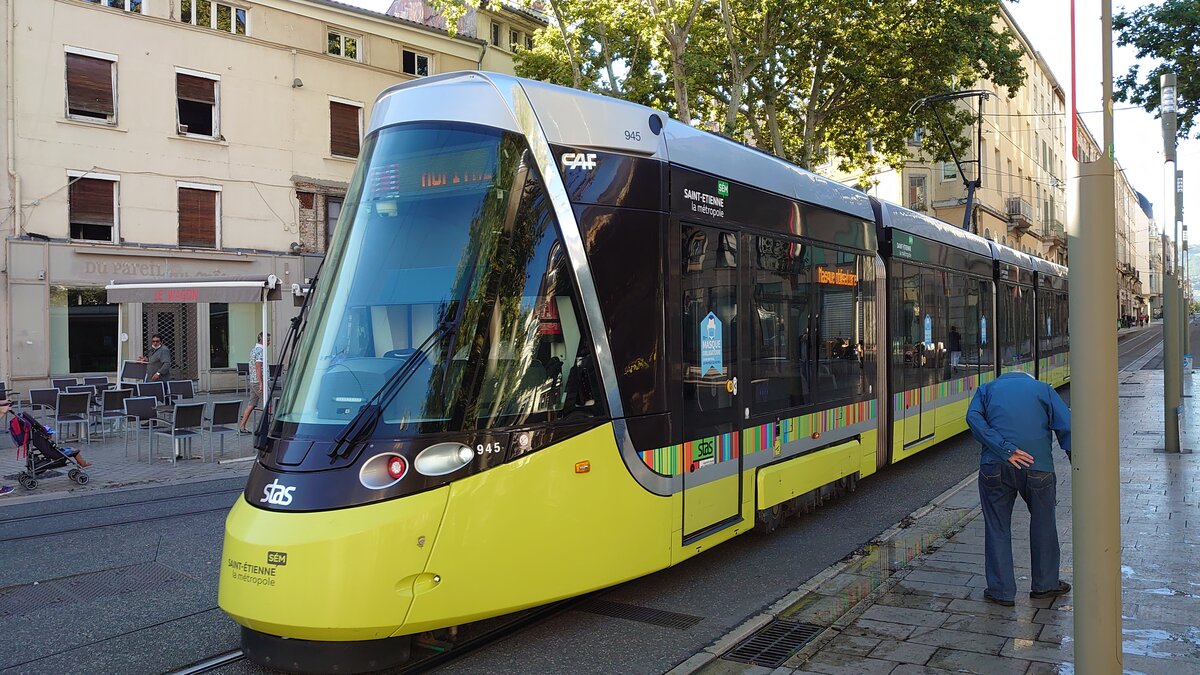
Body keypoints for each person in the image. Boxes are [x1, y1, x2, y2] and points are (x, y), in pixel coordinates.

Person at [966, 371, 1072, 607]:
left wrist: (1005, 449)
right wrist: (1076, 462)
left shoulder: (986, 390)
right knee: (1044, 522)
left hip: (994, 467)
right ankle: (1045, 585)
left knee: (997, 527)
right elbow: (1068, 426)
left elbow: (973, 418)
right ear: (1029, 379)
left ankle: (1001, 591)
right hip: (1038, 468)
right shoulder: (1043, 389)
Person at [239, 333, 270, 434]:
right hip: (258, 382)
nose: (269, 342)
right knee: (268, 403)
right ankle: (267, 427)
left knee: (251, 404)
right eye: (268, 340)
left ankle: (242, 426)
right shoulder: (260, 351)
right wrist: (261, 383)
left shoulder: (253, 350)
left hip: (253, 381)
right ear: (262, 340)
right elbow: (258, 367)